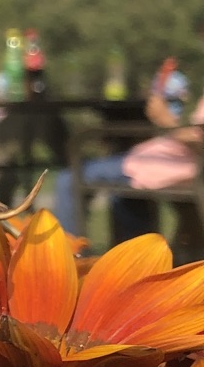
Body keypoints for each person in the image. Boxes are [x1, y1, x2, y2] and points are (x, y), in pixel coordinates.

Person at [54, 53, 204, 244]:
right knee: (123, 193)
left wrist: (166, 121)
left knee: (68, 180)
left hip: (172, 165)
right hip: (163, 160)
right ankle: (139, 259)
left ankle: (70, 255)